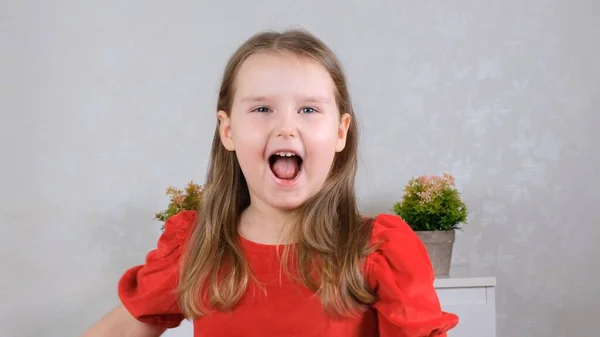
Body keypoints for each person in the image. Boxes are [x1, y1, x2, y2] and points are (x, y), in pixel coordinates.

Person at [82, 28, 459, 337]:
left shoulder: (378, 251)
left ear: (340, 132)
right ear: (228, 130)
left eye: (308, 109)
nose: (285, 127)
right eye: (262, 109)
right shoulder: (196, 247)